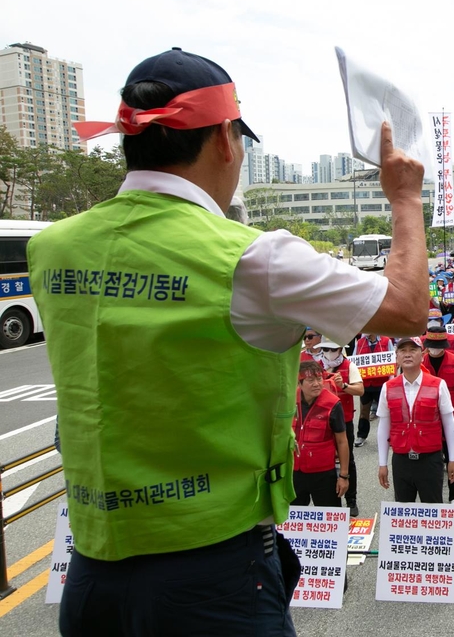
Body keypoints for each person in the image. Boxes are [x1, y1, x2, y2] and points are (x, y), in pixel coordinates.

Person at [28, 48, 427, 635]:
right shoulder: (252, 257)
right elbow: (407, 308)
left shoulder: (52, 247)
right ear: (223, 139)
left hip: (92, 573)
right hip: (214, 574)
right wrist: (406, 199)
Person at [377, 337, 454, 503]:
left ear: (422, 355)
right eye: (403, 351)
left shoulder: (438, 384)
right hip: (401, 460)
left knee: (433, 511)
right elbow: (383, 427)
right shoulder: (388, 387)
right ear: (397, 357)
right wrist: (382, 463)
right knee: (403, 513)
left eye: (412, 350)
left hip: (430, 460)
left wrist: (452, 459)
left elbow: (449, 424)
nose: (407, 354)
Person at [314, 338, 364, 516]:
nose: (328, 352)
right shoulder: (316, 366)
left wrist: (344, 385)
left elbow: (360, 390)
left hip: (344, 421)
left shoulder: (349, 366)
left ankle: (351, 501)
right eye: (325, 349)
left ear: (340, 349)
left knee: (347, 461)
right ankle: (330, 501)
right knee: (325, 462)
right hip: (321, 421)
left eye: (332, 349)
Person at [292, 361, 351, 507]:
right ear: (299, 383)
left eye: (319, 379)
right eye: (310, 380)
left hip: (323, 473)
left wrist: (343, 476)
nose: (317, 384)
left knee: (330, 520)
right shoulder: (289, 401)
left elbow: (342, 441)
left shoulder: (333, 404)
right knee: (292, 521)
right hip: (295, 471)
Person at [422, 326, 454, 502]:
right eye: (432, 345)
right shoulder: (421, 363)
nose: (435, 348)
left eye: (438, 345)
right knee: (430, 459)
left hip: (451, 417)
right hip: (428, 420)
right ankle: (433, 497)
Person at [353, 332, 394, 447]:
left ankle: (389, 436)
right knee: (364, 412)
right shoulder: (359, 343)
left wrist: (391, 381)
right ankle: (361, 435)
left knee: (385, 412)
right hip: (365, 384)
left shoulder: (386, 341)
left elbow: (392, 360)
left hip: (382, 384)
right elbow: (353, 361)